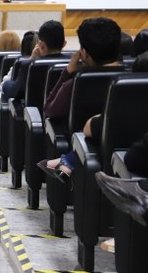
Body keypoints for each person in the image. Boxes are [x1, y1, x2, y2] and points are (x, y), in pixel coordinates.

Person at [37, 17, 122, 181]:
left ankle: (65, 163)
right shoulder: (132, 79)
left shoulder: (76, 83)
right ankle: (65, 163)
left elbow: (49, 110)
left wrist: (67, 72)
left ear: (84, 53)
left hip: (87, 150)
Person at [1, 20, 67, 102]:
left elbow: (13, 92)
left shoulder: (30, 66)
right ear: (64, 44)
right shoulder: (73, 64)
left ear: (41, 45)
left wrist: (30, 61)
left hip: (33, 114)